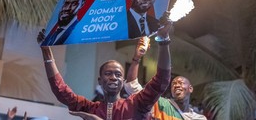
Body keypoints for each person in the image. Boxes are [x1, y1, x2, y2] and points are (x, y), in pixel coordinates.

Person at [37, 13, 173, 120]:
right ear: (100, 81)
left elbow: (161, 80)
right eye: (108, 74)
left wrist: (163, 40)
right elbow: (60, 89)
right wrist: (46, 51)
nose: (113, 77)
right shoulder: (88, 108)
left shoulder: (137, 104)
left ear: (123, 81)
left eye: (118, 74)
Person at [124, 42, 207, 119]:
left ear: (190, 88)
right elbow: (132, 85)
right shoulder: (160, 105)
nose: (177, 85)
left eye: (181, 83)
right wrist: (137, 58)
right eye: (173, 84)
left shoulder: (199, 118)